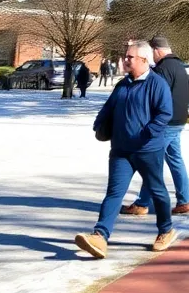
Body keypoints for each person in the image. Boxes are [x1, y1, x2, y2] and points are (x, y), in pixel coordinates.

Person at [75, 40, 177, 260]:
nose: (125, 60)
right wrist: (99, 124)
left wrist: (146, 134)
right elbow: (109, 108)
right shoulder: (123, 84)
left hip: (147, 150)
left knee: (157, 191)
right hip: (121, 150)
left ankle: (165, 230)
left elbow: (164, 114)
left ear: (143, 60)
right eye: (126, 56)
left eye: (130, 57)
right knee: (114, 192)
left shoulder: (157, 84)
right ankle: (100, 236)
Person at [123, 36, 189, 218]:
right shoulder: (180, 67)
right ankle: (185, 200)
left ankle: (142, 203)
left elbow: (152, 96)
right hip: (179, 121)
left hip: (165, 124)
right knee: (175, 161)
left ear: (156, 50)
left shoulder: (162, 69)